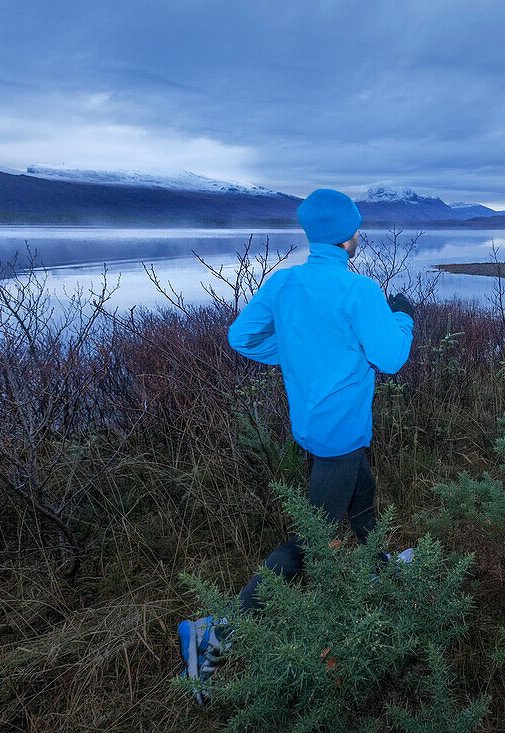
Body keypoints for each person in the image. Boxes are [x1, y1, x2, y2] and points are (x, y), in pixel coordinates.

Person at [177, 189, 416, 700]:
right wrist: (403, 316)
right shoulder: (360, 291)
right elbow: (392, 357)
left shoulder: (283, 283)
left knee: (360, 496)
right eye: (358, 227)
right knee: (310, 541)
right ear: (350, 235)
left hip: (310, 425)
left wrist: (294, 356)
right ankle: (212, 634)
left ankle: (381, 570)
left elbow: (241, 337)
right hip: (340, 434)